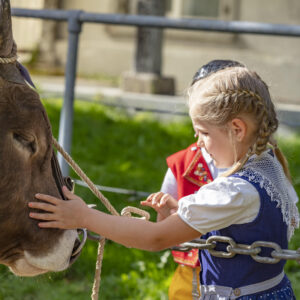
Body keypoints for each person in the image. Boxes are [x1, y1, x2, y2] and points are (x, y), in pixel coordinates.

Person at [29, 65, 299, 299]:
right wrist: (181, 217)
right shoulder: (270, 167)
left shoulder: (235, 190)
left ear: (237, 129)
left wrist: (84, 216)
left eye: (203, 133)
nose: (199, 143)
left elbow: (155, 238)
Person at [161, 60, 245, 300]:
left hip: (243, 276)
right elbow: (162, 228)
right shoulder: (181, 164)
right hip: (191, 276)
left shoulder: (261, 168)